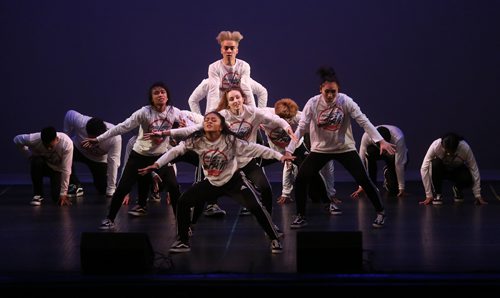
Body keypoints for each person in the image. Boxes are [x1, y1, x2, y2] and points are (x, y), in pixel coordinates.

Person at [138, 111, 295, 253]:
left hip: (233, 181)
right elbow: (175, 151)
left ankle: (274, 238)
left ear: (221, 127)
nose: (209, 121)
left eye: (214, 120)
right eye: (207, 119)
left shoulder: (231, 141)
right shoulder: (197, 140)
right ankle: (183, 240)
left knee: (256, 207)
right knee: (184, 202)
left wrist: (280, 156)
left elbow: (257, 149)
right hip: (212, 183)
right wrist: (157, 164)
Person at [284, 67, 396, 229]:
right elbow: (301, 129)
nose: (330, 95)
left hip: (344, 148)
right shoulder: (313, 103)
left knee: (363, 180)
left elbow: (363, 121)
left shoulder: (345, 101)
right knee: (301, 179)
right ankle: (300, 215)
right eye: (327, 92)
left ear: (338, 91)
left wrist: (380, 141)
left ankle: (380, 212)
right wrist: (289, 149)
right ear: (320, 89)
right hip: (320, 150)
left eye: (333, 92)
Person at [82, 81, 187, 229]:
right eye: (156, 93)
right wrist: (99, 139)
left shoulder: (174, 112)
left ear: (167, 96)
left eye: (163, 92)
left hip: (161, 156)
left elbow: (187, 126)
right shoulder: (144, 112)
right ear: (151, 98)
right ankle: (110, 218)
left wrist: (183, 127)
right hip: (140, 155)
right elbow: (122, 127)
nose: (160, 95)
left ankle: (182, 224)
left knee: (174, 188)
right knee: (123, 187)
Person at [260, 98, 340, 214]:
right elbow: (247, 112)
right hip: (274, 150)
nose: (287, 122)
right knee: (251, 164)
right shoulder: (266, 114)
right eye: (283, 119)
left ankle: (328, 202)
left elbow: (317, 122)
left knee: (311, 171)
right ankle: (256, 203)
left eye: (289, 119)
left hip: (296, 149)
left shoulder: (298, 116)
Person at [63, 110, 121, 198]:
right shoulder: (81, 122)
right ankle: (74, 185)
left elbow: (114, 162)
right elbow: (69, 114)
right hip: (78, 150)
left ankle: (105, 187)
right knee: (63, 153)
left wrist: (111, 189)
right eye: (89, 137)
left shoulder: (114, 137)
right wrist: (66, 138)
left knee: (103, 188)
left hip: (98, 159)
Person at [420, 132, 487, 205]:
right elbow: (424, 168)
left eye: (451, 151)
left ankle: (457, 188)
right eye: (446, 150)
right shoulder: (436, 145)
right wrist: (428, 195)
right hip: (441, 171)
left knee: (468, 178)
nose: (448, 153)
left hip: (456, 171)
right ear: (442, 144)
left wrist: (477, 194)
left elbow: (474, 168)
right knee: (435, 163)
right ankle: (438, 194)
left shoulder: (465, 148)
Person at [13, 126, 73, 206]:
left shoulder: (66, 143)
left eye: (51, 146)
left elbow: (66, 169)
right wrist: (29, 155)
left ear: (57, 139)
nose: (48, 149)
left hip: (57, 170)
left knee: (57, 198)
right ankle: (38, 194)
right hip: (43, 166)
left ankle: (65, 190)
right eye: (46, 145)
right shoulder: (34, 139)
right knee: (36, 161)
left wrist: (63, 193)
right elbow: (17, 139)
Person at [351, 125, 408, 199]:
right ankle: (371, 184)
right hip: (374, 151)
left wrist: (401, 188)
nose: (383, 149)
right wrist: (362, 186)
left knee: (394, 190)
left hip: (393, 151)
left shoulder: (398, 138)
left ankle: (387, 170)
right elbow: (361, 161)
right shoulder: (367, 136)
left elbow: (399, 163)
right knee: (368, 152)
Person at [207, 31, 255, 112]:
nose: (229, 51)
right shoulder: (214, 67)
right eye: (226, 48)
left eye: (232, 48)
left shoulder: (244, 66)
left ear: (236, 50)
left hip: (238, 100)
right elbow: (213, 92)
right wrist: (211, 114)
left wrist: (255, 113)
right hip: (221, 102)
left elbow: (246, 89)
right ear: (221, 50)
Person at [188, 77, 268, 115]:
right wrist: (200, 120)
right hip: (217, 124)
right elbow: (193, 100)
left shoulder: (244, 82)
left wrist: (259, 115)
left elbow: (262, 92)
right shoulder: (209, 82)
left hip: (244, 122)